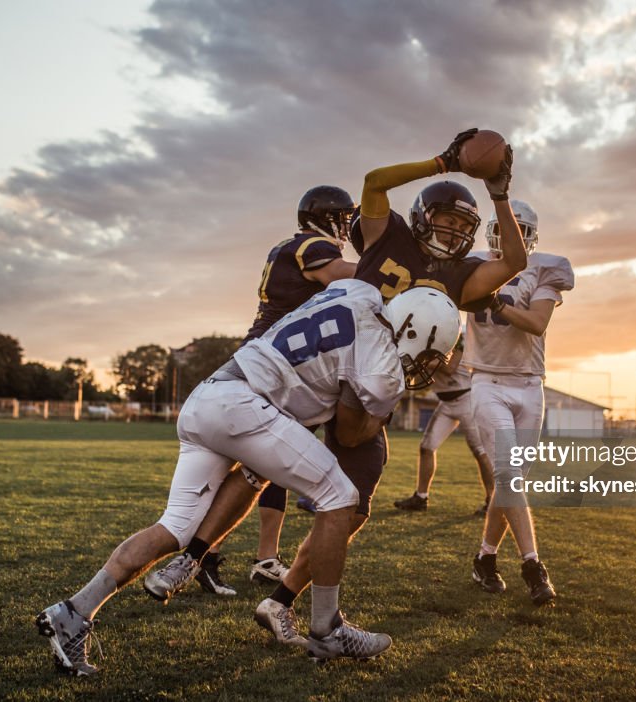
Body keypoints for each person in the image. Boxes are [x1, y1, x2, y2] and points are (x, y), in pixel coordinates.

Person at [141, 130, 529, 646]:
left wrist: (499, 195)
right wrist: (444, 162)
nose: (454, 231)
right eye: (447, 219)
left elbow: (514, 264)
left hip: (368, 388)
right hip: (321, 369)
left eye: (464, 224)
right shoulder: (387, 235)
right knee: (257, 474)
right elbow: (374, 182)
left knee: (350, 506)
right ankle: (194, 560)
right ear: (421, 216)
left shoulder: (459, 275)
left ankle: (281, 601)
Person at [36, 281, 461, 674]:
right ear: (412, 333)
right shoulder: (383, 363)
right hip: (246, 405)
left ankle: (73, 613)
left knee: (175, 527)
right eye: (428, 356)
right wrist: (380, 412)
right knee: (340, 497)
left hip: (210, 395)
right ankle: (327, 629)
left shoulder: (357, 291)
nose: (425, 367)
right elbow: (350, 435)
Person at [193, 185, 358, 594]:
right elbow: (346, 276)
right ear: (328, 217)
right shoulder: (312, 246)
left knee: (267, 470)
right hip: (275, 366)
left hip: (270, 361)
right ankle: (201, 554)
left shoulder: (292, 246)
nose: (346, 226)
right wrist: (399, 270)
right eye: (344, 217)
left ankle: (257, 555)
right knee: (255, 469)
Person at [464, 199, 574, 605]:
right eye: (512, 230)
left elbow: (537, 323)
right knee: (509, 476)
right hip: (487, 382)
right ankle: (533, 567)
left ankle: (485, 559)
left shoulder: (544, 270)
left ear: (532, 236)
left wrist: (493, 301)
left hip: (530, 386)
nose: (516, 238)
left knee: (511, 484)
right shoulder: (469, 264)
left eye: (524, 231)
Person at [393, 333, 495, 514]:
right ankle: (421, 497)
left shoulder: (461, 335)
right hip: (445, 403)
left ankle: (493, 502)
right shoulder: (424, 337)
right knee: (426, 447)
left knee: (481, 452)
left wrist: (416, 360)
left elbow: (450, 367)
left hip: (467, 399)